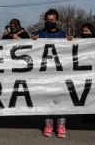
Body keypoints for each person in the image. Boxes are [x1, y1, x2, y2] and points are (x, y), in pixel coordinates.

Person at [31, 8, 70, 138]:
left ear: (57, 21)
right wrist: (32, 41)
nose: (50, 22)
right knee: (45, 98)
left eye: (52, 20)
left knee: (60, 99)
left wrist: (72, 42)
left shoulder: (63, 35)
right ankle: (48, 124)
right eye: (47, 20)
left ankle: (61, 125)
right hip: (43, 74)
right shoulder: (38, 34)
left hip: (59, 74)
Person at [80, 23, 95, 123]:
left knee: (92, 92)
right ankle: (85, 113)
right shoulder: (79, 42)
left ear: (91, 32)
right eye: (83, 31)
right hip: (83, 71)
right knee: (84, 92)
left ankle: (93, 114)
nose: (84, 33)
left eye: (86, 31)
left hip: (94, 72)